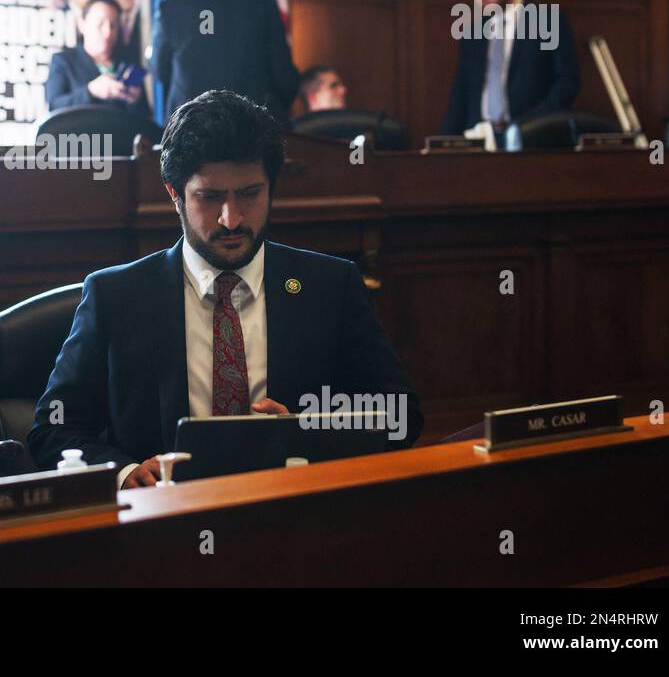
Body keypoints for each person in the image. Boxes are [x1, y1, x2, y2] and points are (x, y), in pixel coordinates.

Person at [28, 90, 423, 488]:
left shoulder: (330, 286)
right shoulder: (115, 297)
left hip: (293, 520)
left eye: (250, 194)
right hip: (164, 525)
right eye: (210, 197)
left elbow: (402, 415)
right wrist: (126, 471)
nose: (231, 219)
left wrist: (309, 430)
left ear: (272, 187)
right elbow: (53, 431)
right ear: (175, 195)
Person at [150, 0, 299, 126]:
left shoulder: (169, 8)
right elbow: (285, 78)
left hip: (190, 133)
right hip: (251, 130)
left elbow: (160, 71)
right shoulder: (261, 4)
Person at [440, 0, 580, 141]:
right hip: (480, 139)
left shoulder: (547, 20)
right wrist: (444, 143)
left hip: (533, 138)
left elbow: (567, 82)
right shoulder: (473, 32)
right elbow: (461, 92)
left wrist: (529, 126)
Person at [44, 0, 149, 113]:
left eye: (113, 25)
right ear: (82, 25)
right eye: (100, 24)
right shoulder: (64, 61)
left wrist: (135, 100)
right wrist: (91, 91)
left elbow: (145, 115)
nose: (108, 32)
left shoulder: (127, 63)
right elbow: (54, 105)